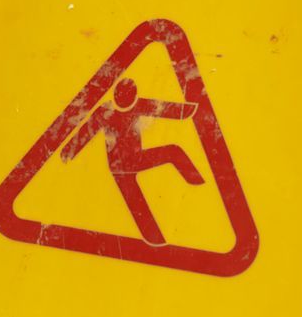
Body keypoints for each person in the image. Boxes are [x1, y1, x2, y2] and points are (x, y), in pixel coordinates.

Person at [62, 78, 205, 246]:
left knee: (173, 152)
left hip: (135, 159)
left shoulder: (129, 106)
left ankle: (199, 187)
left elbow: (168, 109)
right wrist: (68, 152)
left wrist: (191, 109)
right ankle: (156, 241)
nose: (124, 100)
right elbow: (85, 133)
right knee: (138, 204)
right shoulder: (105, 111)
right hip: (120, 167)